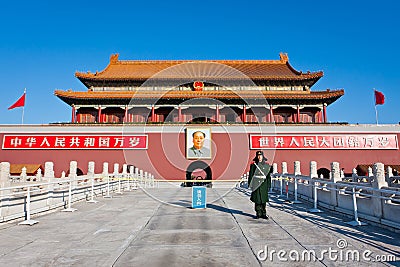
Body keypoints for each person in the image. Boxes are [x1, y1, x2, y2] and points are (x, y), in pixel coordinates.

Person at [248, 151, 272, 219]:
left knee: (263, 200)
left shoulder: (266, 165)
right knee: (257, 199)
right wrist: (250, 184)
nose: (259, 157)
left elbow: (268, 176)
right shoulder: (253, 165)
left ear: (263, 156)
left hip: (263, 184)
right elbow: (251, 175)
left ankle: (264, 213)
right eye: (258, 156)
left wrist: (268, 185)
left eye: (260, 155)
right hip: (256, 184)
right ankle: (258, 213)